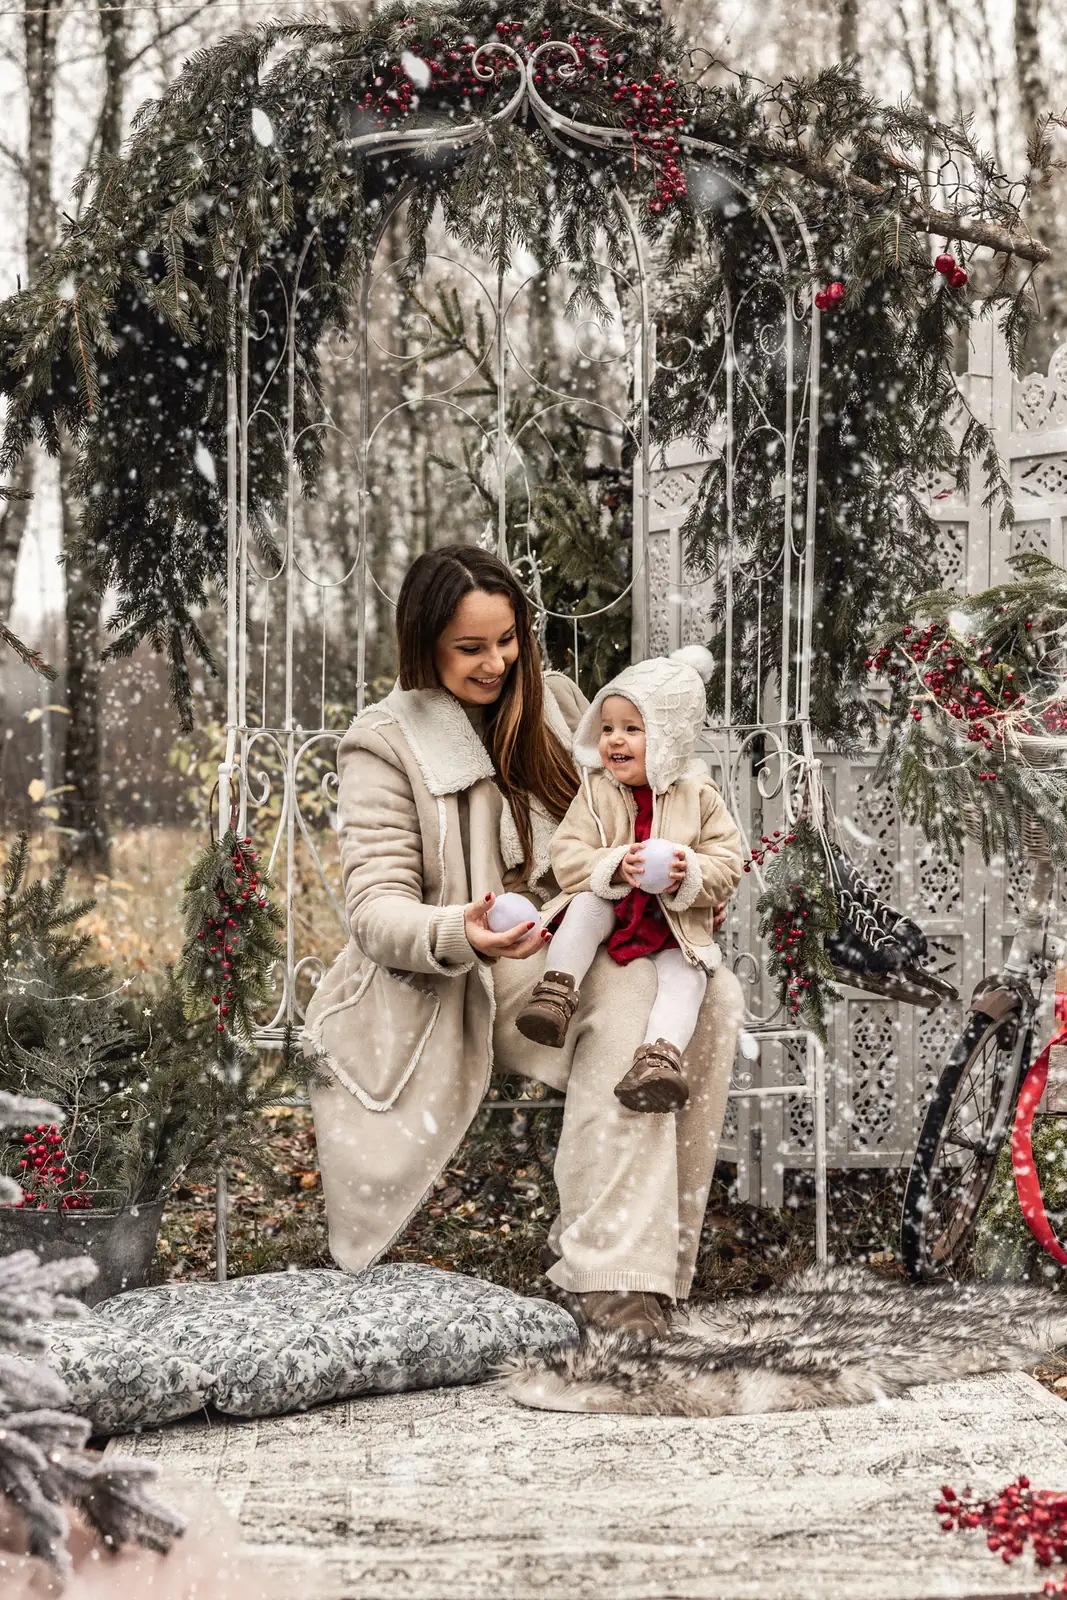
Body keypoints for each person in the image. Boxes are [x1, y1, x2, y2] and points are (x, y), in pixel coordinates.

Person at [304, 544, 744, 1340]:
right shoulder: (386, 741)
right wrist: (457, 930)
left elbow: (646, 813)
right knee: (636, 1004)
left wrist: (677, 868)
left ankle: (641, 1271)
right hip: (472, 977)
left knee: (711, 988)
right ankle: (608, 1278)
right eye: (469, 647)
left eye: (506, 640)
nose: (496, 662)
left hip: (586, 932)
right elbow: (373, 911)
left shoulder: (560, 706)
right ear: (423, 644)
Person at [516, 647, 743, 1115]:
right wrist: (615, 865)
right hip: (613, 912)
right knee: (584, 906)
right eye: (607, 728)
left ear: (669, 737)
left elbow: (728, 865)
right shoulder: (597, 792)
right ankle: (557, 991)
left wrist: (689, 871)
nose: (614, 741)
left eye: (632, 729)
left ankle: (658, 1059)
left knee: (689, 976)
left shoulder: (699, 797)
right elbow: (567, 857)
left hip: (671, 927)